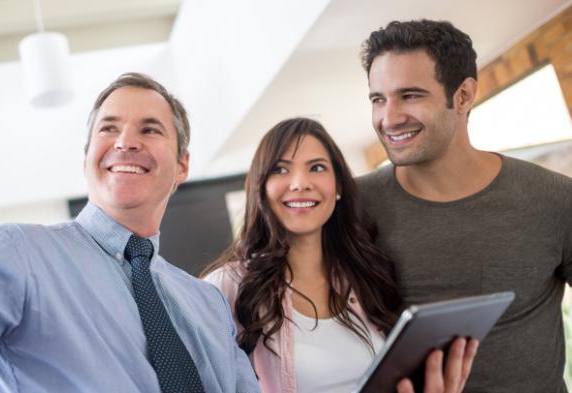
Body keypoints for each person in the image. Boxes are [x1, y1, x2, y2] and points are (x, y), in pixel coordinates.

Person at [0, 72, 260, 393]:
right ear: (87, 157)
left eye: (150, 129)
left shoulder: (208, 304)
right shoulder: (18, 255)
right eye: (109, 128)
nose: (126, 142)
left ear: (182, 166)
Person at [357, 19, 572, 393]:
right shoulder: (353, 206)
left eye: (410, 95)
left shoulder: (553, 198)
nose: (388, 118)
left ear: (463, 95)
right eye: (378, 99)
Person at [203, 117, 478, 393]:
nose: (300, 183)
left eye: (317, 167)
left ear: (338, 187)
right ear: (260, 187)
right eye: (281, 170)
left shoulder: (362, 275)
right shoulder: (223, 289)